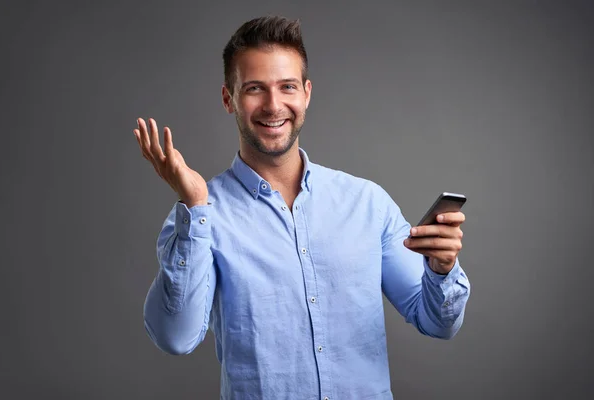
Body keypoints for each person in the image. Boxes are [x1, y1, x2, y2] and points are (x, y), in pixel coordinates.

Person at [134, 15, 470, 400]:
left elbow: (437, 322)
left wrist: (441, 270)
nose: (273, 105)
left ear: (306, 93)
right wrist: (195, 206)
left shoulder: (367, 203)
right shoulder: (201, 218)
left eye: (287, 86)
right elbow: (174, 337)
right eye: (255, 89)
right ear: (229, 98)